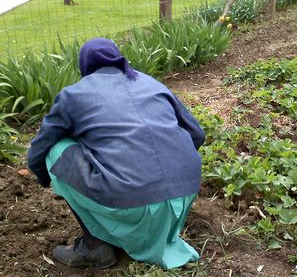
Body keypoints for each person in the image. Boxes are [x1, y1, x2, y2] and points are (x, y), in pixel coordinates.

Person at [27, 37, 205, 269]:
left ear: (85, 67)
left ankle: (94, 247)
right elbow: (196, 134)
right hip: (183, 197)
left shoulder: (74, 95)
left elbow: (40, 149)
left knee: (56, 152)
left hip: (132, 202)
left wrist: (47, 177)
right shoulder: (152, 83)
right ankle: (144, 228)